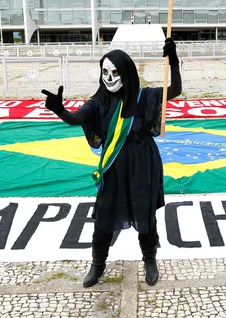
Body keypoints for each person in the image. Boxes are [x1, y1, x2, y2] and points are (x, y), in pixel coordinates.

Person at [41, 38, 182, 288]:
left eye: (115, 72)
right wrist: (59, 111)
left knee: (144, 214)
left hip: (142, 164)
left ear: (126, 73)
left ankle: (149, 260)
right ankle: (97, 264)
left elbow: (175, 90)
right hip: (114, 167)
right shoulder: (98, 102)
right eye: (104, 72)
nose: (109, 77)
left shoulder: (144, 97)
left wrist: (174, 61)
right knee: (104, 215)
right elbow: (76, 119)